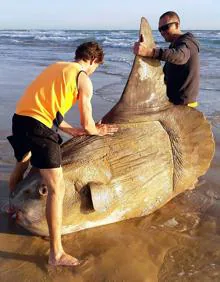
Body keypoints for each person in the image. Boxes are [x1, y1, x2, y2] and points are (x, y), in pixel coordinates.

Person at [7, 41, 118, 266]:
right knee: (57, 188)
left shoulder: (57, 67)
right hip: (39, 126)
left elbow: (52, 111)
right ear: (94, 61)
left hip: (20, 119)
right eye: (97, 67)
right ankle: (56, 253)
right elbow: (88, 124)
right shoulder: (83, 78)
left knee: (23, 162)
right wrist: (98, 131)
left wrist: (70, 131)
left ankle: (11, 205)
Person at [133, 11, 200, 106]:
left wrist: (149, 52)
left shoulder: (188, 42)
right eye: (160, 29)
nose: (162, 32)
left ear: (177, 25)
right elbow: (167, 74)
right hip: (172, 103)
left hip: (184, 106)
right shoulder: (174, 45)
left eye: (165, 27)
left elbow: (180, 56)